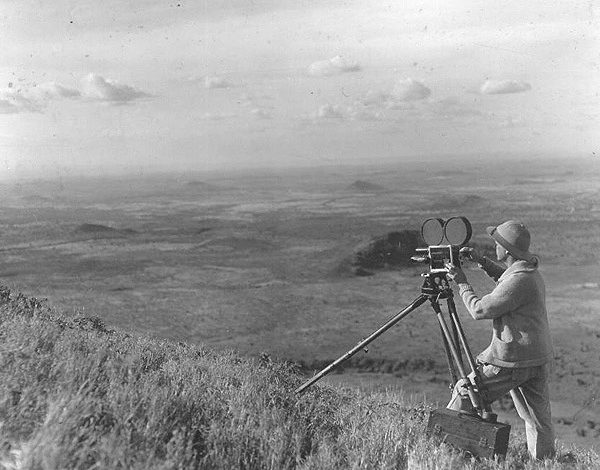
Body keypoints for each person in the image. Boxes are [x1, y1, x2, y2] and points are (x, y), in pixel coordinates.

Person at [444, 220, 555, 460]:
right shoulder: (529, 273)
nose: (495, 246)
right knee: (537, 420)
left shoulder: (519, 281)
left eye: (497, 244)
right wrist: (482, 262)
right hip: (536, 358)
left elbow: (479, 310)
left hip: (512, 360)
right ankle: (544, 462)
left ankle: (447, 452)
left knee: (465, 394)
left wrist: (461, 282)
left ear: (506, 250)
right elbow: (506, 281)